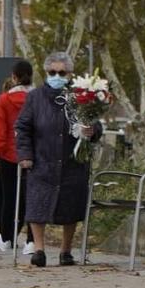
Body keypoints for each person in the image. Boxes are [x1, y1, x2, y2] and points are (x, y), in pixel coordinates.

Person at [16, 52, 100, 266]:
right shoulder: (34, 97)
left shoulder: (81, 95)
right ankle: (39, 250)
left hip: (72, 159)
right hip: (42, 159)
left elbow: (96, 124)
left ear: (69, 73)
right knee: (37, 205)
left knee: (70, 206)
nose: (56, 76)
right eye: (52, 72)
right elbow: (23, 127)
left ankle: (66, 251)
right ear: (46, 73)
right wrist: (25, 155)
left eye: (61, 72)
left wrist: (92, 131)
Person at [0, 61, 33, 251]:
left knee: (8, 198)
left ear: (13, 77)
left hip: (8, 155)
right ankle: (32, 241)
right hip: (33, 155)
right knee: (31, 197)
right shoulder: (38, 98)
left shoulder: (4, 100)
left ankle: (7, 237)